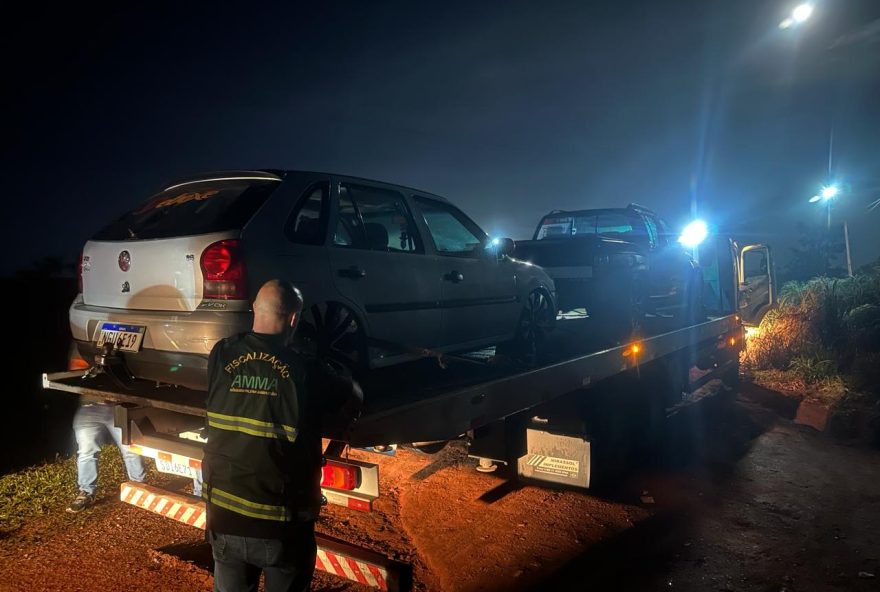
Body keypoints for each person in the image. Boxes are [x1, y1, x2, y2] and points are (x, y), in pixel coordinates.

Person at [202, 279, 361, 592]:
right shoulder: (305, 369)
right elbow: (353, 398)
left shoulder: (221, 354)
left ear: (253, 310)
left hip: (224, 519)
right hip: (281, 528)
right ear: (293, 319)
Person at [67, 350, 146, 513]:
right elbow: (76, 366)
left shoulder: (123, 338)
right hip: (89, 406)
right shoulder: (84, 341)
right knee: (86, 451)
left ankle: (139, 487)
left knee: (130, 447)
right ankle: (86, 492)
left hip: (119, 405)